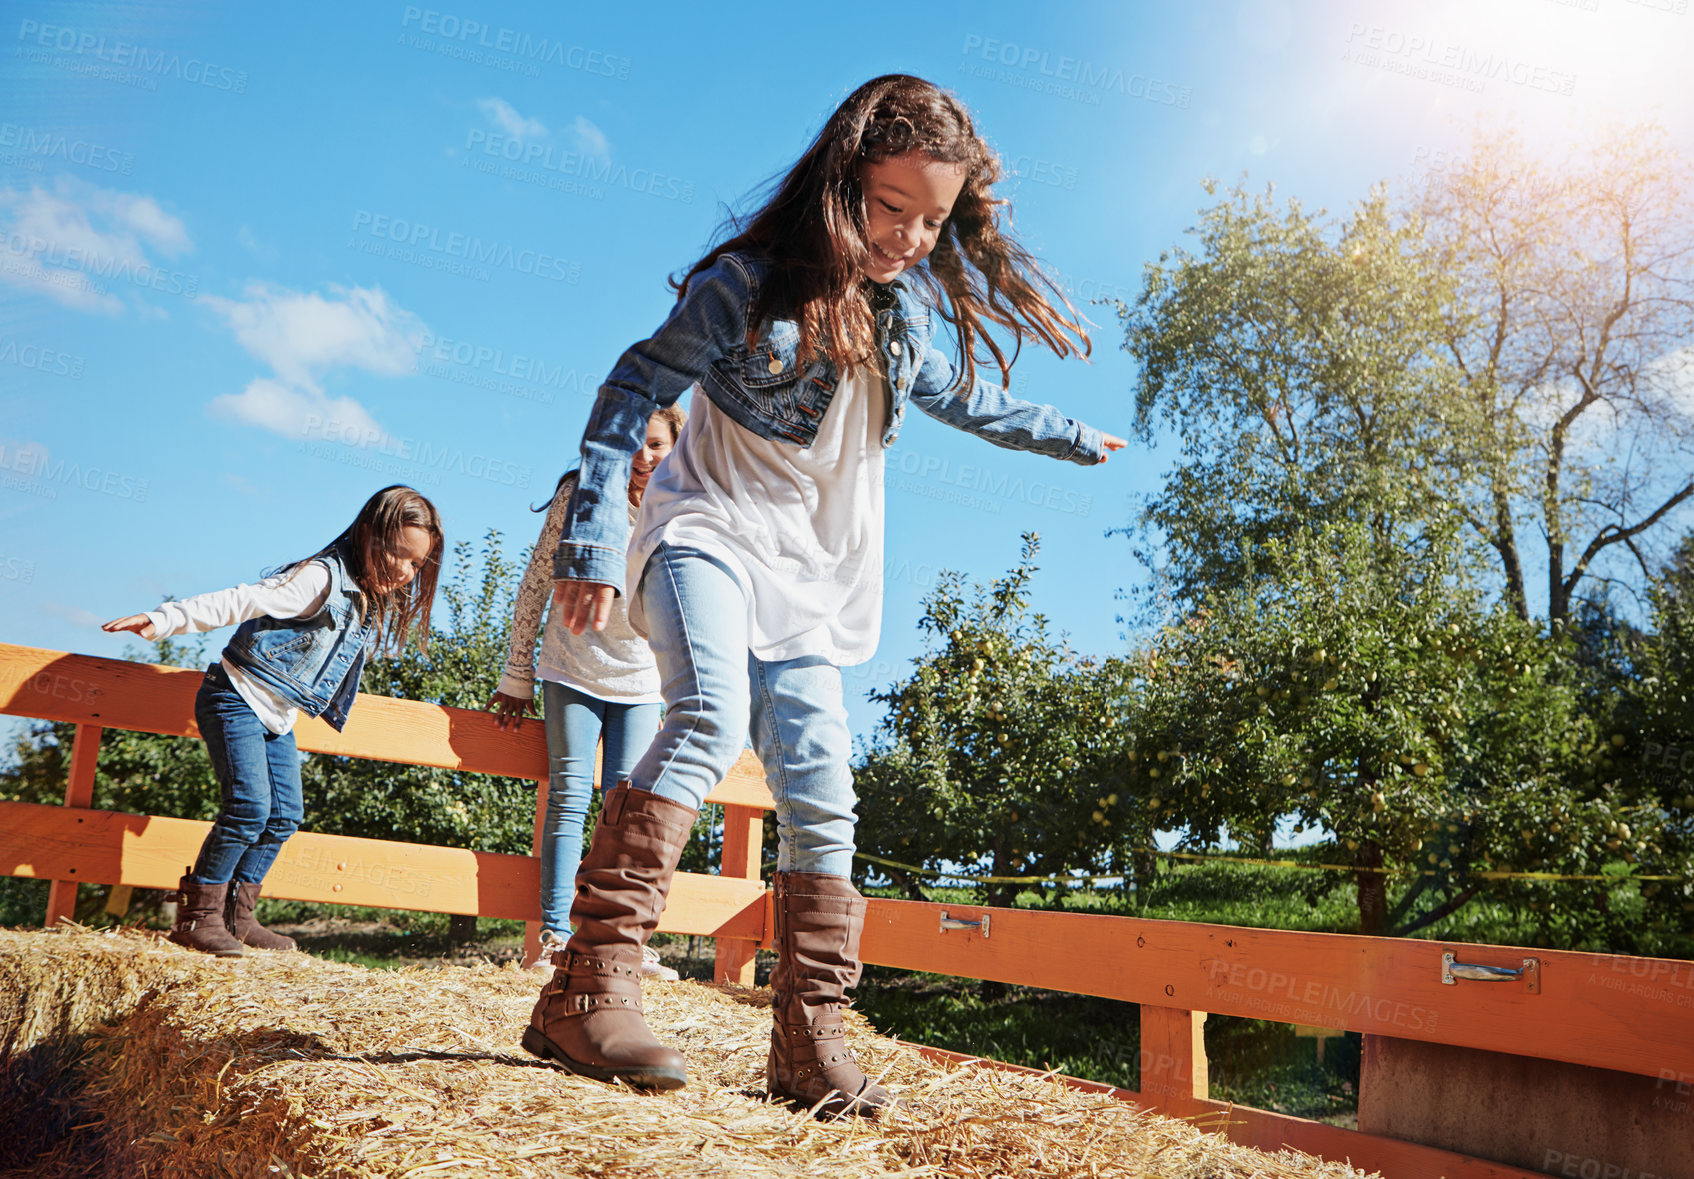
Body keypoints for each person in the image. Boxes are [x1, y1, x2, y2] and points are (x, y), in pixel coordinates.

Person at [522, 74, 1126, 1116]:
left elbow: (966, 400)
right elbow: (633, 385)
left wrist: (1067, 435)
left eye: (930, 221)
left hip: (809, 575)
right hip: (702, 530)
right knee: (708, 716)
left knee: (822, 793)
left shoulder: (898, 324)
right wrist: (589, 538)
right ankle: (589, 984)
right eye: (889, 208)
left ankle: (807, 1047)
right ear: (840, 184)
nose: (905, 237)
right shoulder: (745, 282)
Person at [102, 485, 442, 957]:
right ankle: (197, 917)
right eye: (396, 553)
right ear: (367, 534)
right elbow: (243, 600)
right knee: (247, 808)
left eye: (416, 563)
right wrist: (164, 619)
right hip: (236, 697)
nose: (404, 570)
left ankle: (236, 917)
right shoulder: (320, 578)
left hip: (276, 713)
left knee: (284, 816)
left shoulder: (361, 596)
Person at [487, 407, 687, 981]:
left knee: (627, 810)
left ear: (675, 447)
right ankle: (555, 935)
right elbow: (536, 580)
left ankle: (617, 940)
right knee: (571, 795)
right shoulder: (582, 496)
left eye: (655, 445)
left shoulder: (683, 503)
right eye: (632, 445)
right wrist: (516, 675)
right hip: (571, 667)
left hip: (642, 678)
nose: (643, 458)